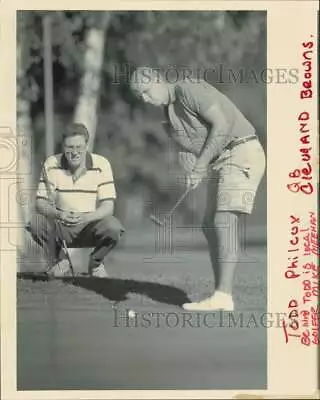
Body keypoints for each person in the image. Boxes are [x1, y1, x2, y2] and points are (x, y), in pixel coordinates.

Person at [130, 67, 265, 311]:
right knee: (208, 225)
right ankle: (220, 294)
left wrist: (201, 165)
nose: (145, 100)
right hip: (221, 160)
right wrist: (189, 161)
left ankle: (223, 296)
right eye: (140, 97)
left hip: (241, 149)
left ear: (158, 80)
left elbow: (222, 125)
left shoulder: (188, 88)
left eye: (147, 92)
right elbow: (188, 146)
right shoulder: (168, 115)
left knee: (223, 219)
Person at [28, 122, 124, 278]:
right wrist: (59, 214)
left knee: (113, 227)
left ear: (87, 145)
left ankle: (96, 263)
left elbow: (108, 207)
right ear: (63, 147)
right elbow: (40, 203)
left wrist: (86, 217)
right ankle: (59, 262)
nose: (74, 153)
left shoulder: (101, 164)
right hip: (62, 226)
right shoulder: (51, 164)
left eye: (79, 147)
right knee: (35, 223)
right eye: (69, 148)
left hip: (90, 226)